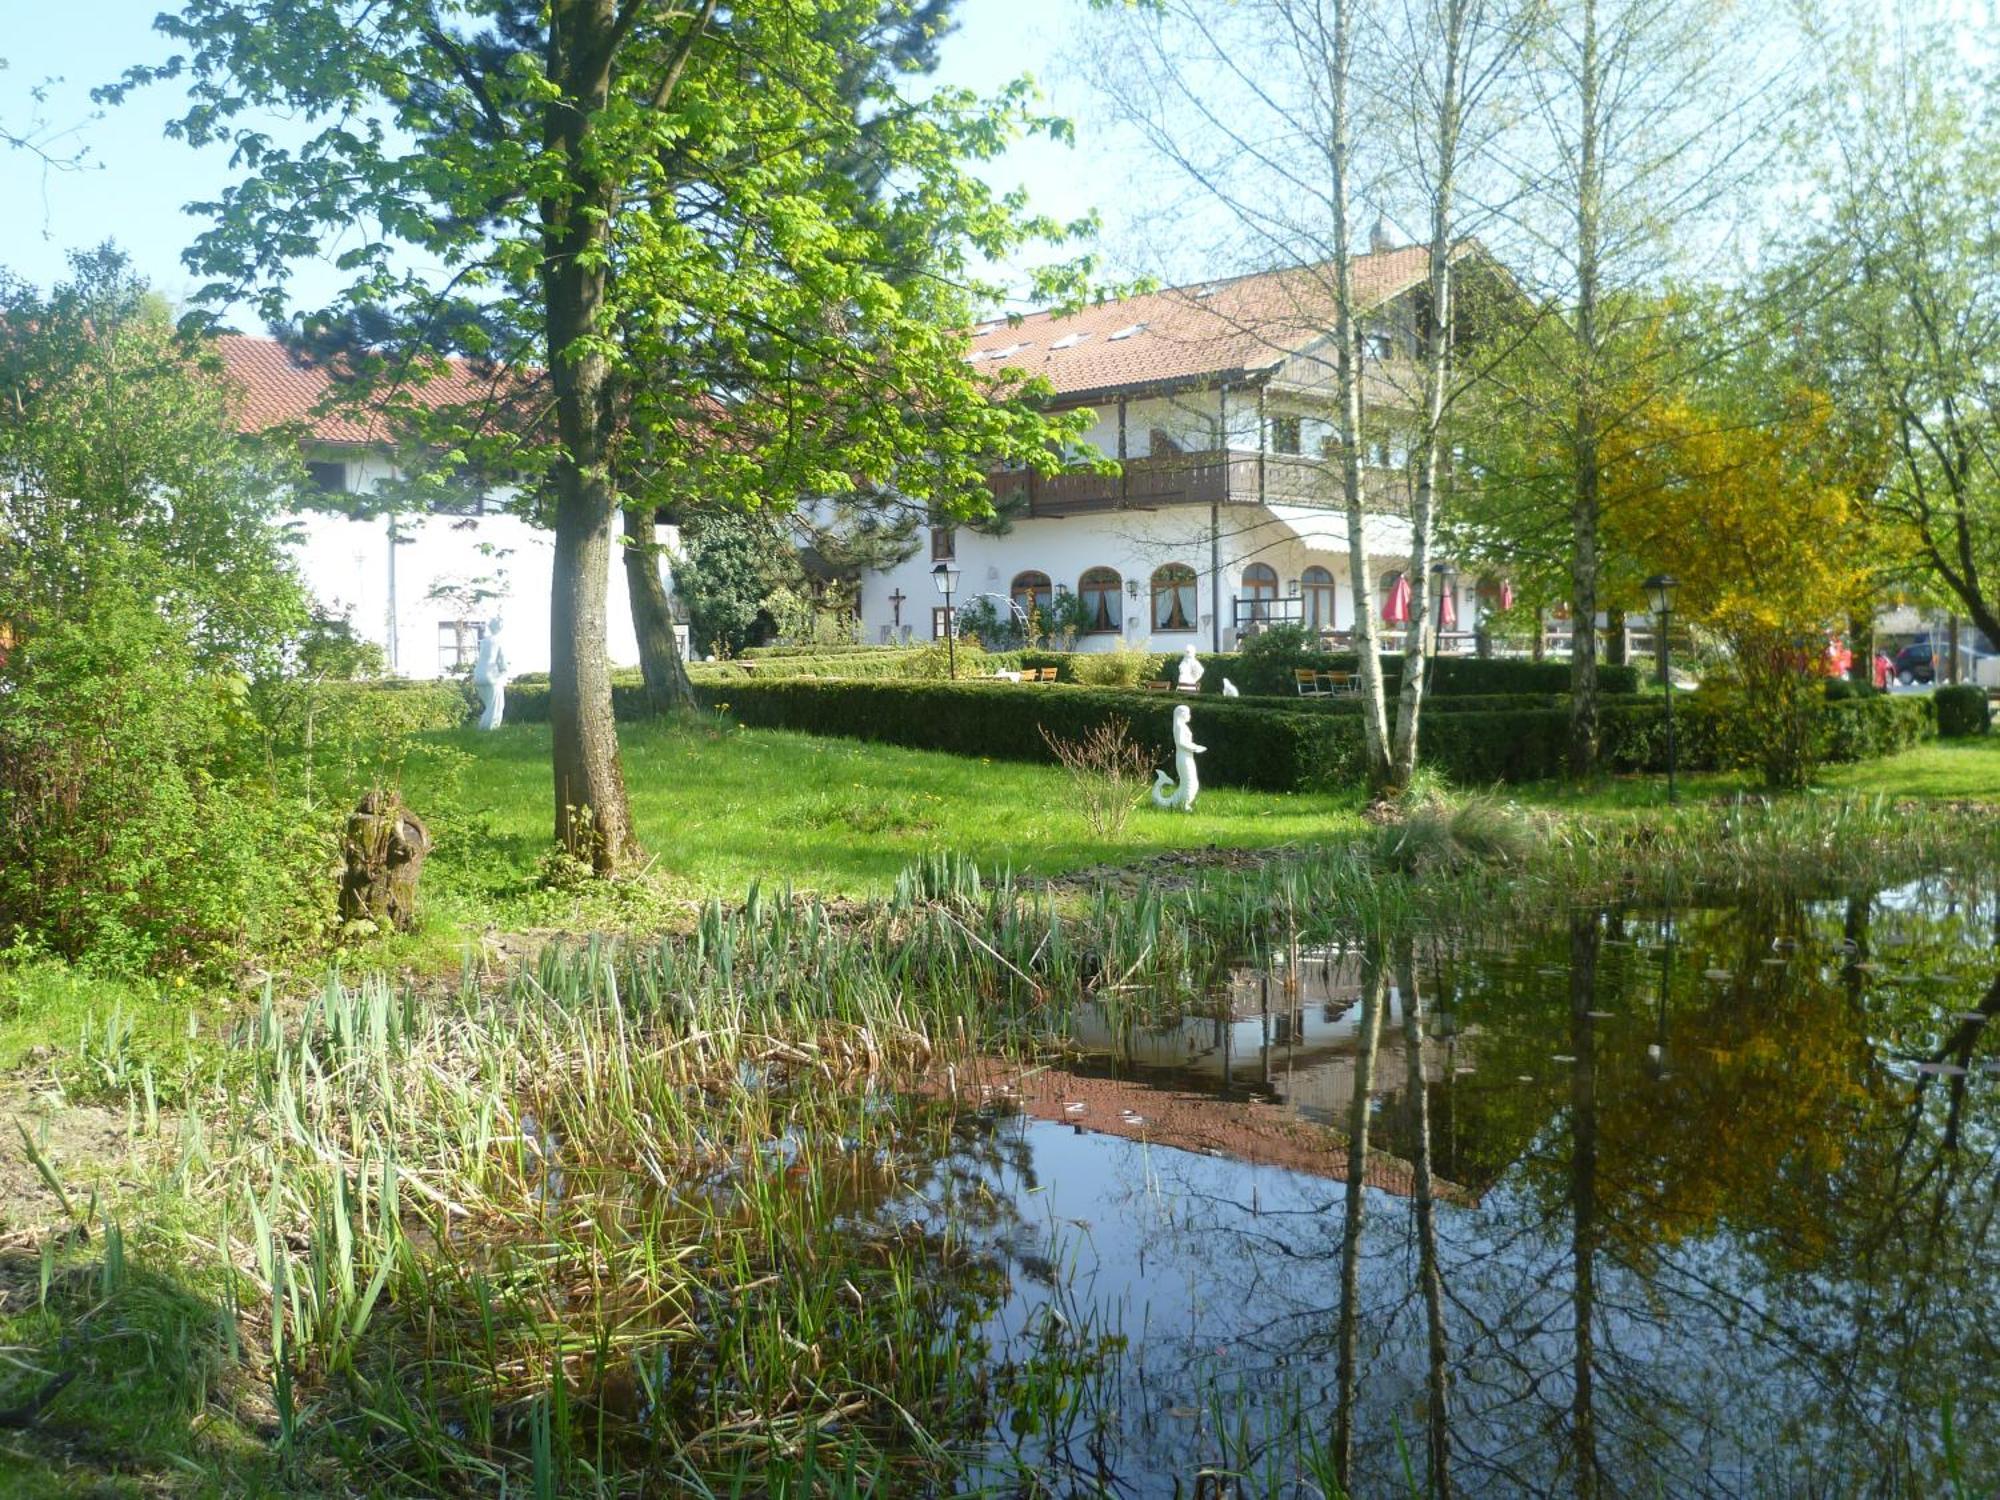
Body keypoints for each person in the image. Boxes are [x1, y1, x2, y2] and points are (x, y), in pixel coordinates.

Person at [473, 616, 510, 729]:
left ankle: (484, 729)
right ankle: (488, 729)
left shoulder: (484, 641)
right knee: (496, 706)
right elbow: (502, 660)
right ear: (500, 627)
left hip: (478, 675)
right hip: (490, 677)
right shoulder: (499, 641)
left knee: (490, 705)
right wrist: (505, 670)